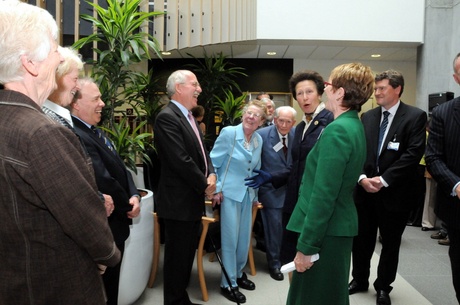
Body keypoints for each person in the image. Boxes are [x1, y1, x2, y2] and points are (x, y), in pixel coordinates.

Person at [0, 1, 120, 304]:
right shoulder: (41, 133)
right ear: (31, 63)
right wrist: (106, 253)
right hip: (56, 284)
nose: (59, 57)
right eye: (55, 48)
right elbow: (83, 217)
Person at [286, 62, 373, 305]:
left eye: (329, 85)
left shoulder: (338, 131)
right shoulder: (353, 124)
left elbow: (323, 195)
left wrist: (307, 246)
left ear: (340, 92)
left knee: (313, 297)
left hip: (326, 232)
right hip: (336, 227)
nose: (325, 90)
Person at [349, 70, 427, 305]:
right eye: (376, 88)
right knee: (361, 241)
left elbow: (413, 154)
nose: (377, 92)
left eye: (382, 88)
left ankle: (383, 286)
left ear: (397, 89)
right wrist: (362, 177)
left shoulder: (415, 116)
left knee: (390, 244)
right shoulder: (368, 117)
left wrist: (383, 180)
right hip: (365, 192)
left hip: (395, 194)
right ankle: (359, 279)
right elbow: (360, 150)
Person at [71, 77, 141, 305]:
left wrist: (135, 194)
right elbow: (103, 180)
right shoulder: (77, 135)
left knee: (112, 288)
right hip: (106, 228)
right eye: (96, 98)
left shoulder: (95, 131)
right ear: (76, 104)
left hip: (116, 223)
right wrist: (128, 205)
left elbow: (122, 170)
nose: (103, 103)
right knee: (105, 292)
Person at [154, 70, 216, 305]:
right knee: (177, 259)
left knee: (185, 257)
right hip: (178, 204)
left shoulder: (189, 117)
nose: (199, 89)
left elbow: (202, 152)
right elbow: (180, 160)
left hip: (191, 202)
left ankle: (181, 298)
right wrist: (205, 186)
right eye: (194, 84)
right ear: (179, 88)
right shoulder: (167, 117)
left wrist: (210, 173)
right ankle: (174, 300)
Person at [42, 46, 115, 217]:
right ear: (57, 77)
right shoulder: (47, 120)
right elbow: (63, 181)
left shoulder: (59, 115)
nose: (77, 86)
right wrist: (97, 198)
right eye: (75, 78)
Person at [210, 100, 266, 304]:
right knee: (230, 239)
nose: (251, 117)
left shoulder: (258, 140)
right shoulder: (229, 133)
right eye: (248, 113)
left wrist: (256, 195)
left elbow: (257, 169)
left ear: (261, 122)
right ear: (243, 115)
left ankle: (238, 273)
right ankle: (227, 283)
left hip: (248, 195)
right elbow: (213, 162)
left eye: (256, 115)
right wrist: (216, 189)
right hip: (229, 194)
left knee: (244, 240)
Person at [425, 52, 460, 302]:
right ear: (456, 78)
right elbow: (434, 158)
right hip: (457, 208)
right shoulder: (443, 113)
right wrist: (457, 185)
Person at [255, 106, 296, 281]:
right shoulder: (263, 135)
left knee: (290, 227)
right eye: (281, 120)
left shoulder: (298, 135)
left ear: (293, 122)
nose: (284, 125)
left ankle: (288, 258)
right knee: (274, 228)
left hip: (292, 190)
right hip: (270, 190)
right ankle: (274, 263)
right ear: (275, 119)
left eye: (288, 121)